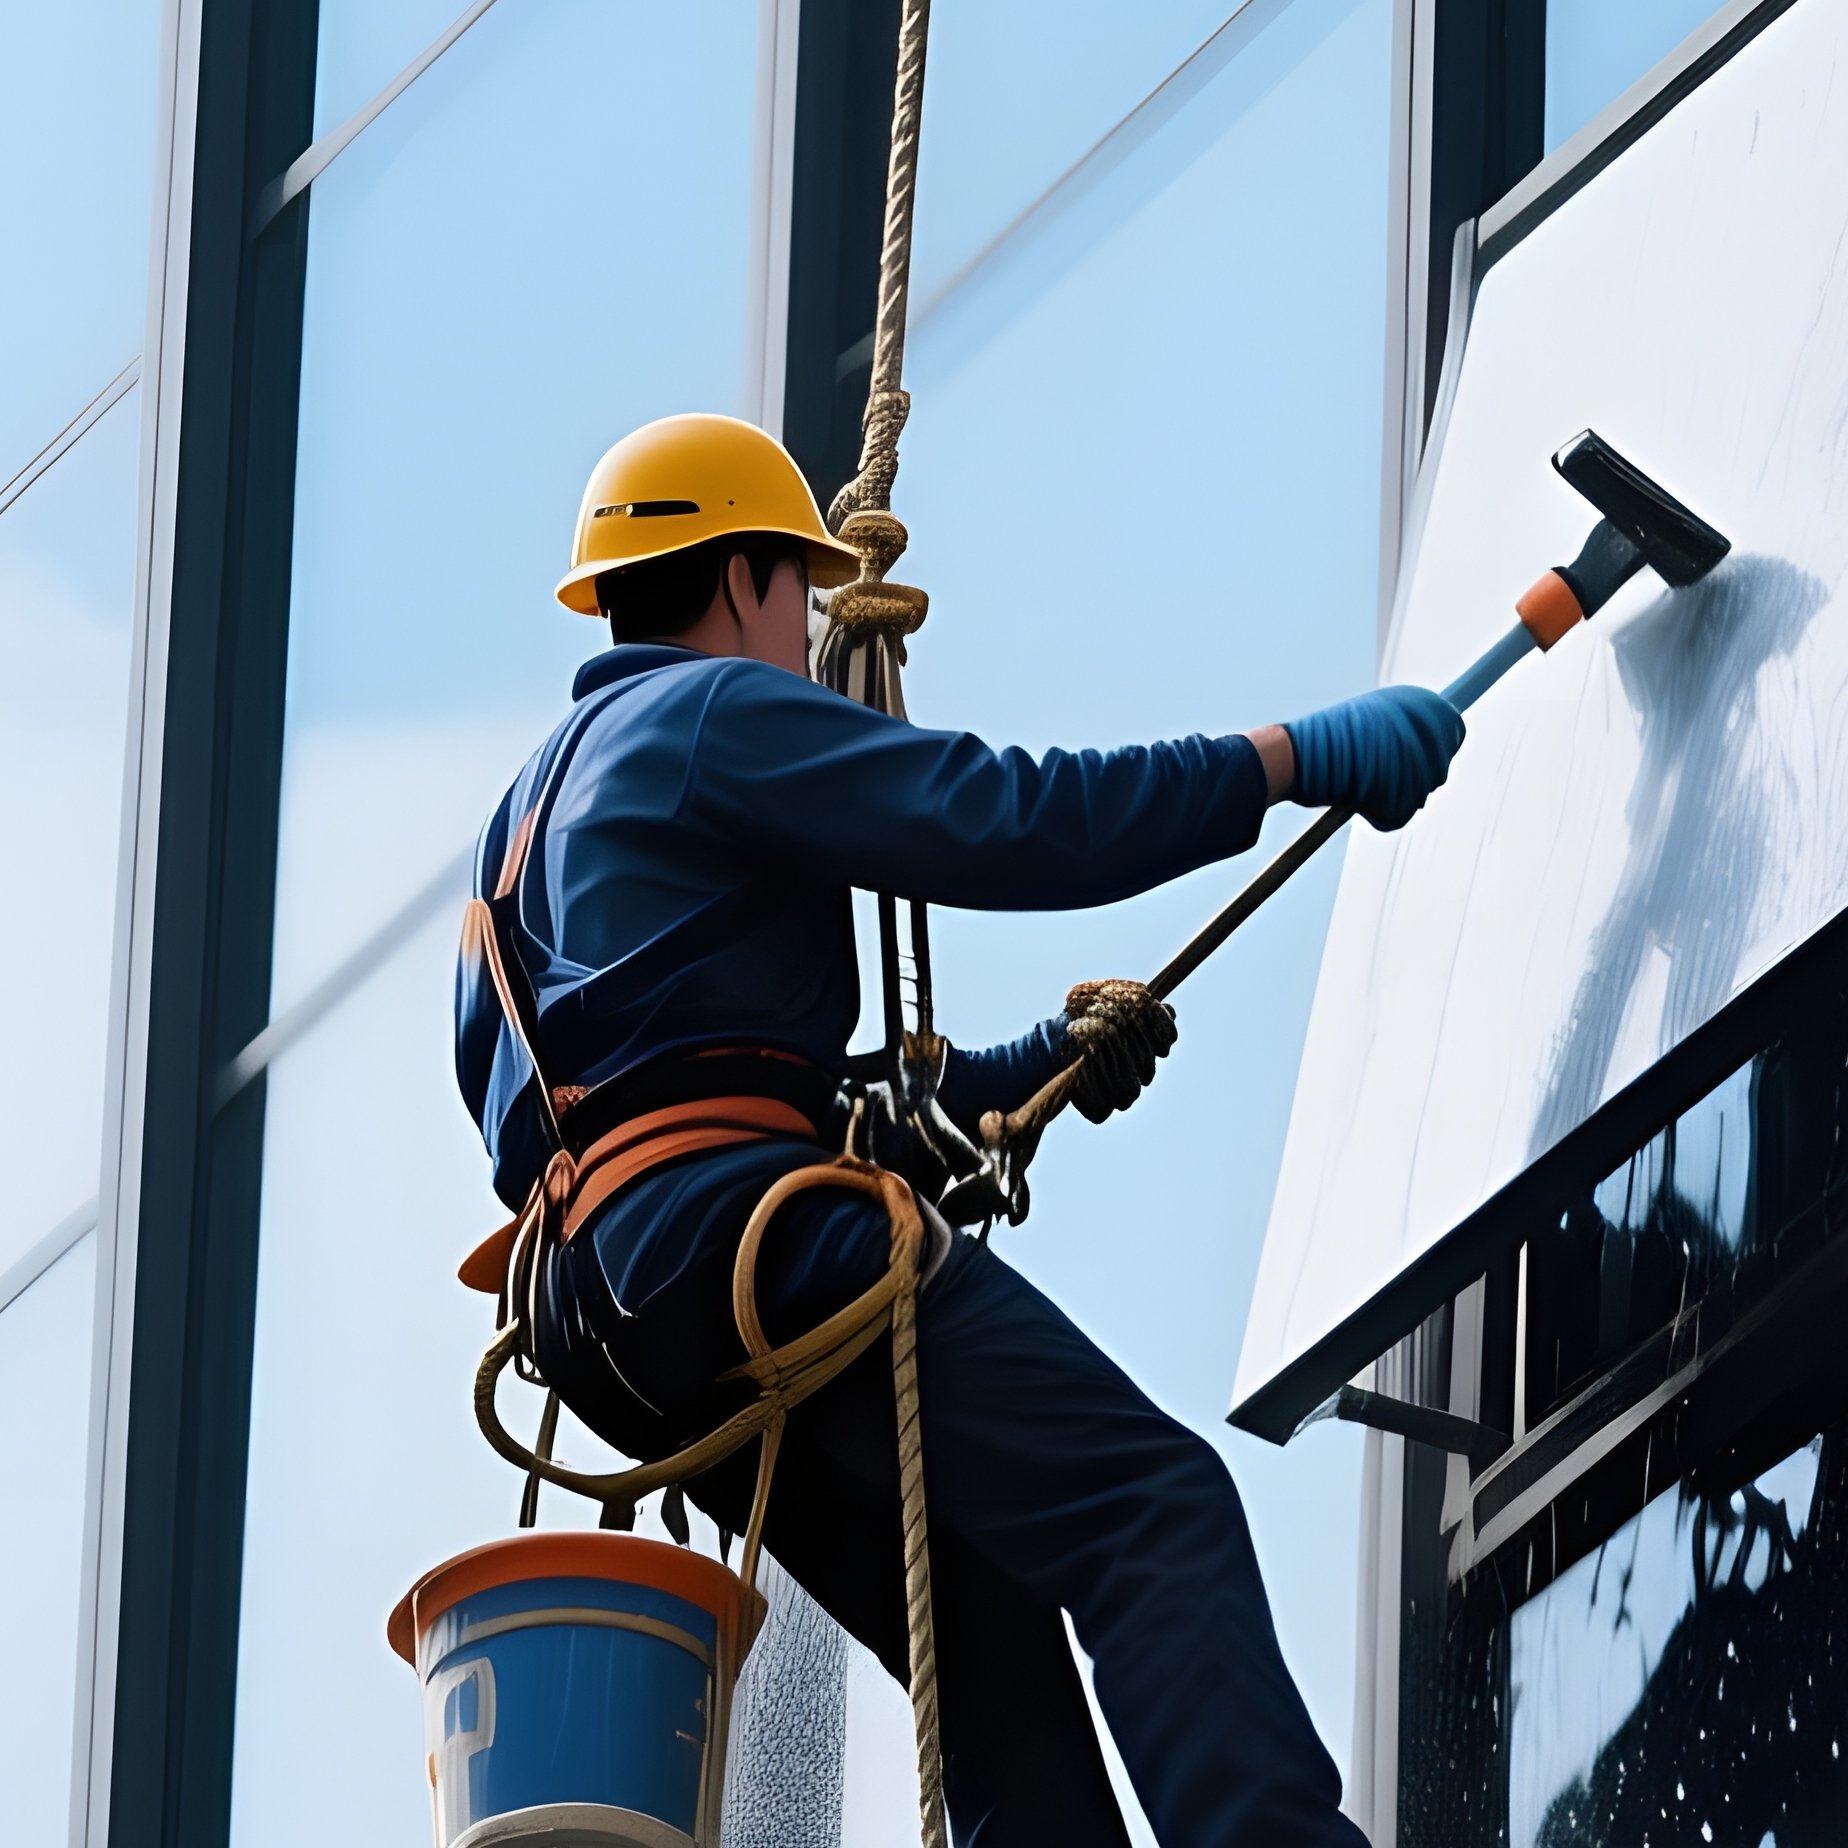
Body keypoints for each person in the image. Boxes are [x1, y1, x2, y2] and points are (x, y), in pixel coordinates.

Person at [454, 413, 1464, 1846]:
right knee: (1146, 1503)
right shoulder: (708, 716)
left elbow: (661, 1089)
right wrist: (1286, 758)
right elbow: (1007, 818)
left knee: (985, 1641)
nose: (810, 635)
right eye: (799, 596)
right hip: (735, 1244)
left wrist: (1015, 1075)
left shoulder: (510, 842)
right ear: (743, 576)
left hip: (611, 1318)